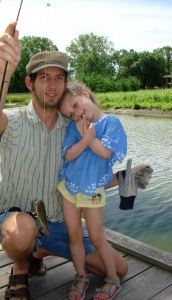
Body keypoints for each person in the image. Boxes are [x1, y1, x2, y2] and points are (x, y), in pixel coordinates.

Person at [0, 22, 152, 300]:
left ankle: (39, 250)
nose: (52, 84)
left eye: (59, 78)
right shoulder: (14, 121)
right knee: (23, 229)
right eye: (44, 77)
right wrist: (2, 72)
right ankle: (21, 266)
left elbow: (85, 175)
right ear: (29, 83)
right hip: (17, 219)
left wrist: (123, 179)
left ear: (66, 83)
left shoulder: (73, 126)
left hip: (59, 224)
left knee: (118, 269)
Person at [57, 82, 127, 300]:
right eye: (71, 114)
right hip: (69, 188)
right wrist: (84, 137)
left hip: (93, 191)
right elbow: (69, 155)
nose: (77, 114)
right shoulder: (74, 126)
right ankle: (81, 275)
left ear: (85, 94)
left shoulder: (110, 122)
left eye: (76, 105)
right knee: (74, 234)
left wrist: (88, 137)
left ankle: (112, 279)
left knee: (97, 236)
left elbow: (105, 152)